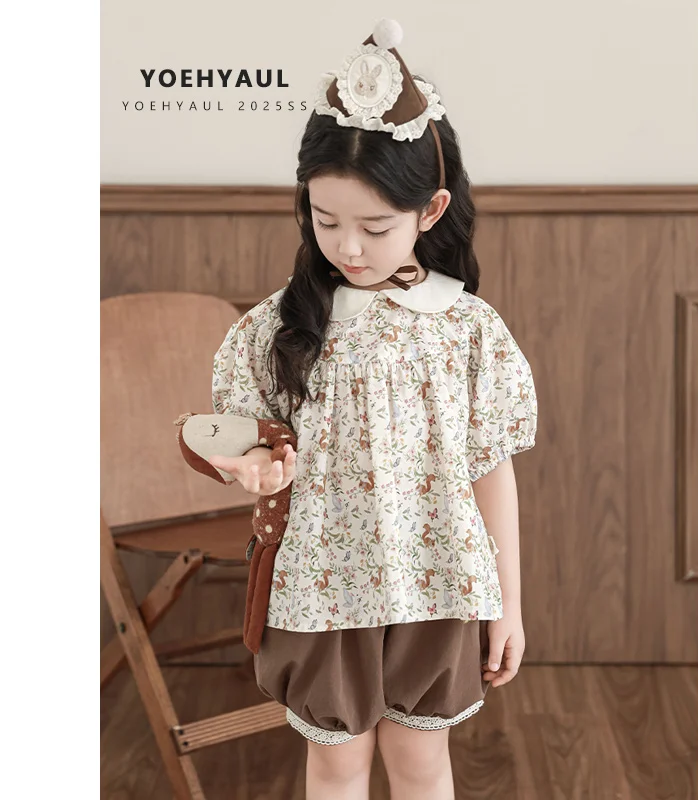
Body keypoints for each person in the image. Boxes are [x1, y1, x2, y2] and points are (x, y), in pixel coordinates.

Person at [206, 18, 538, 800]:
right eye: (326, 221)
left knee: (422, 764)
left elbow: (491, 471)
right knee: (337, 763)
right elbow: (241, 443)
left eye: (375, 226)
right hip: (322, 585)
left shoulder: (467, 330)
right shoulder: (278, 327)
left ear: (431, 209)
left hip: (441, 581)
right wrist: (248, 468)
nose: (348, 247)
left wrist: (508, 604)